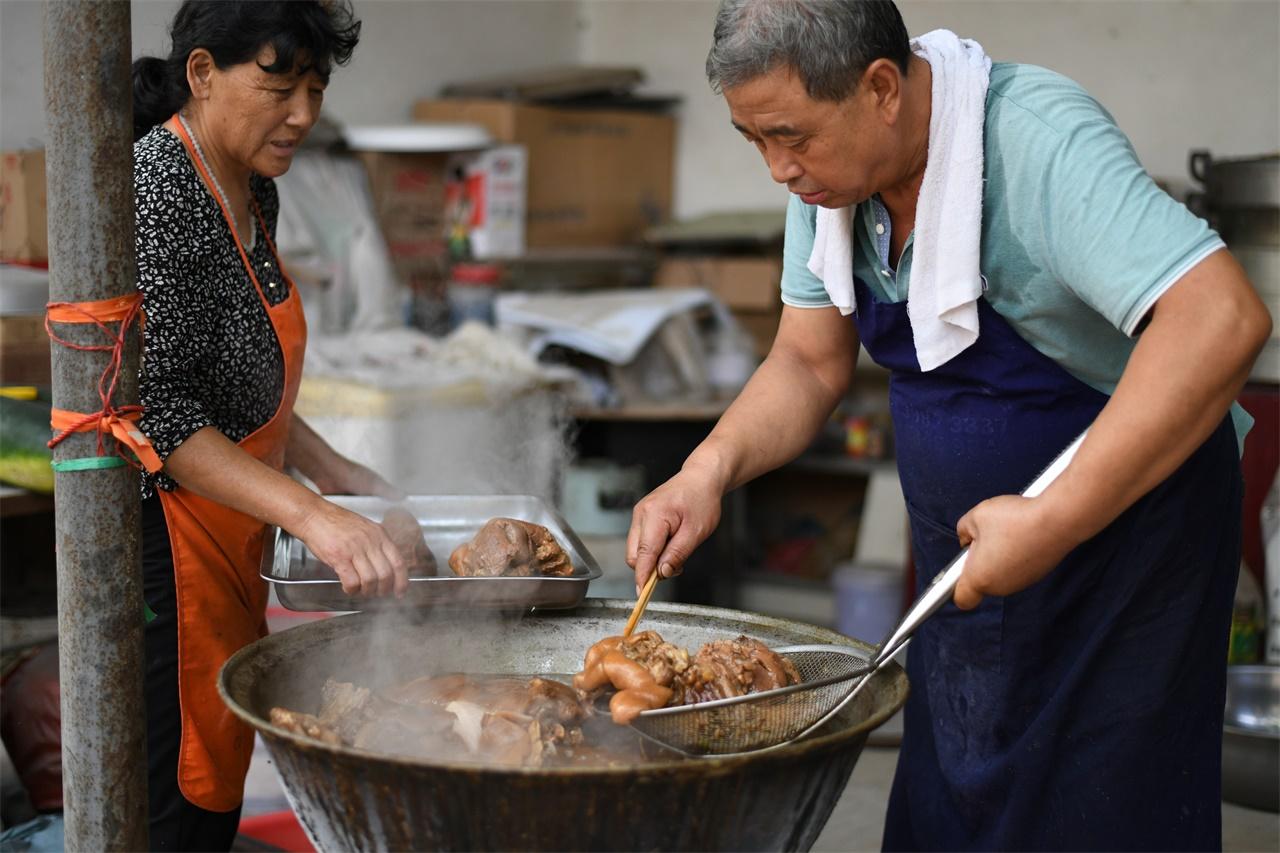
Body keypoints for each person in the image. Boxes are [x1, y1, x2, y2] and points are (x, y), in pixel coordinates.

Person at [627, 1, 1271, 849]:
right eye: (755, 140)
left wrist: (1055, 519)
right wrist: (704, 469)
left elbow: (1221, 319)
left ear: (881, 88)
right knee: (951, 806)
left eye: (791, 135)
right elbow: (808, 363)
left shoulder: (1034, 143)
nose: (778, 169)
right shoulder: (830, 180)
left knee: (1099, 814)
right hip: (974, 563)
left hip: (1124, 552)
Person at [131, 2, 409, 849]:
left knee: (213, 773)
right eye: (280, 85)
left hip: (233, 530)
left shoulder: (253, 186)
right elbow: (167, 413)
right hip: (167, 544)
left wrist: (335, 470)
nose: (303, 115)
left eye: (316, 90)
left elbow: (243, 390)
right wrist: (313, 512)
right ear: (204, 73)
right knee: (179, 793)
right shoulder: (161, 188)